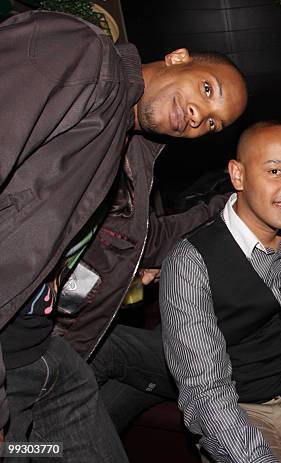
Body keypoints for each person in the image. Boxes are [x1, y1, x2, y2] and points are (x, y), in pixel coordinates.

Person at [0, 10, 247, 461]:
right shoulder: (82, 52)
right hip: (8, 350)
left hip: (43, 351)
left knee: (40, 451)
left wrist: (236, 210)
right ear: (178, 58)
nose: (197, 116)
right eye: (206, 90)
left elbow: (141, 241)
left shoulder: (129, 153)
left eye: (211, 123)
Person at [160, 122, 281, 463]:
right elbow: (205, 392)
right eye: (275, 171)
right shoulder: (191, 262)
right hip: (238, 408)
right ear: (238, 175)